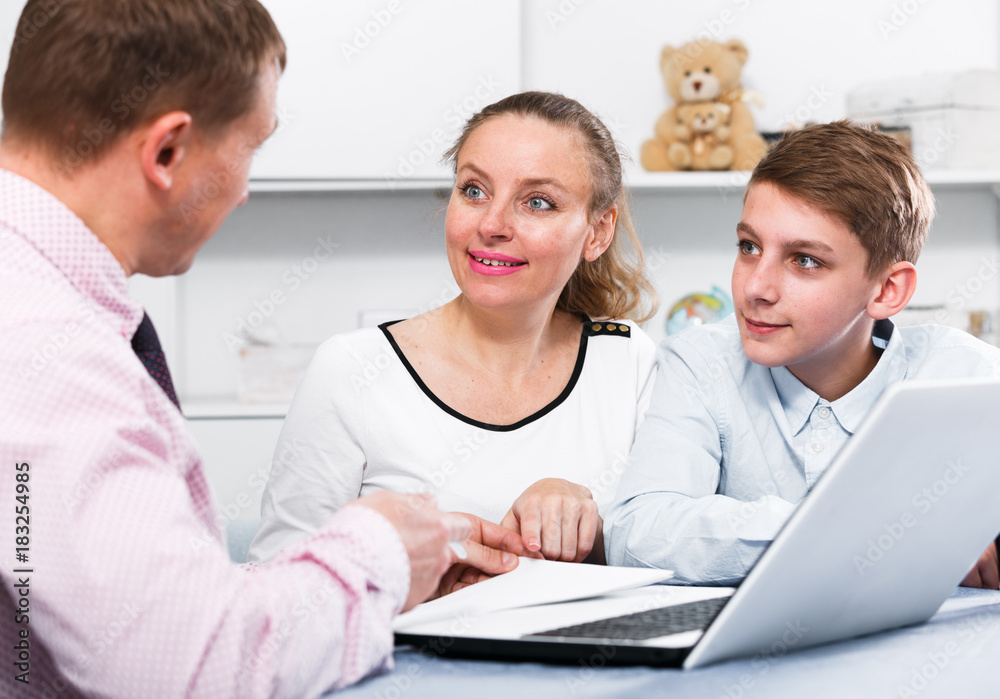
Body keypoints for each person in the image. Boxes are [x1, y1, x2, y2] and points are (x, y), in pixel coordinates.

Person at [0, 2, 524, 696]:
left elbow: (140, 611)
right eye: (252, 146)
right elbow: (194, 666)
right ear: (166, 151)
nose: (245, 190)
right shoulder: (46, 346)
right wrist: (379, 548)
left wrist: (368, 585)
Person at [249, 91, 659, 573]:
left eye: (538, 202)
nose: (492, 224)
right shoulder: (352, 370)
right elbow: (274, 584)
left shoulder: (626, 359)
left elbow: (669, 551)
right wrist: (410, 568)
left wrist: (588, 530)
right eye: (474, 190)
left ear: (598, 232)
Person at [605, 121, 1000, 588]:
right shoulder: (700, 362)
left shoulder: (967, 378)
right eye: (749, 247)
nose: (755, 288)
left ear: (888, 289)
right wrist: (868, 532)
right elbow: (638, 534)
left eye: (805, 260)